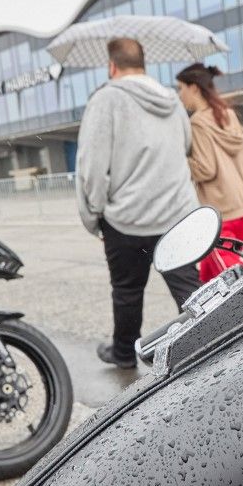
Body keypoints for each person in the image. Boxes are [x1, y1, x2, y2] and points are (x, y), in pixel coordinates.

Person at [76, 38, 200, 369]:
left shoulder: (105, 100)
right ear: (144, 65)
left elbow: (92, 167)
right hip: (175, 213)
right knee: (190, 289)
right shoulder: (172, 101)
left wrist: (95, 214)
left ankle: (123, 353)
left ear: (112, 66)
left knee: (127, 291)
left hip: (125, 220)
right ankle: (207, 344)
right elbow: (186, 145)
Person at [175, 63, 243, 283]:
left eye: (181, 88)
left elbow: (206, 169)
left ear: (194, 88)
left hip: (221, 214)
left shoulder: (198, 122)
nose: (180, 95)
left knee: (235, 281)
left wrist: (182, 160)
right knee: (208, 276)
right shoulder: (228, 115)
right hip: (241, 207)